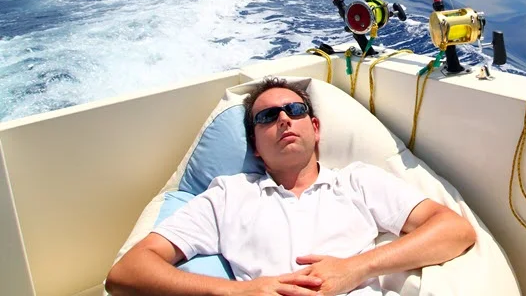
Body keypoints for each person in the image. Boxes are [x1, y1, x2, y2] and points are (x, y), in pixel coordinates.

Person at [106, 77, 477, 296]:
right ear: (255, 144)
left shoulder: (358, 181)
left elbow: (454, 230)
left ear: (315, 130)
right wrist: (240, 292)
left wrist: (356, 268)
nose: (284, 119)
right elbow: (126, 273)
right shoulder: (228, 195)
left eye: (295, 111)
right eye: (268, 117)